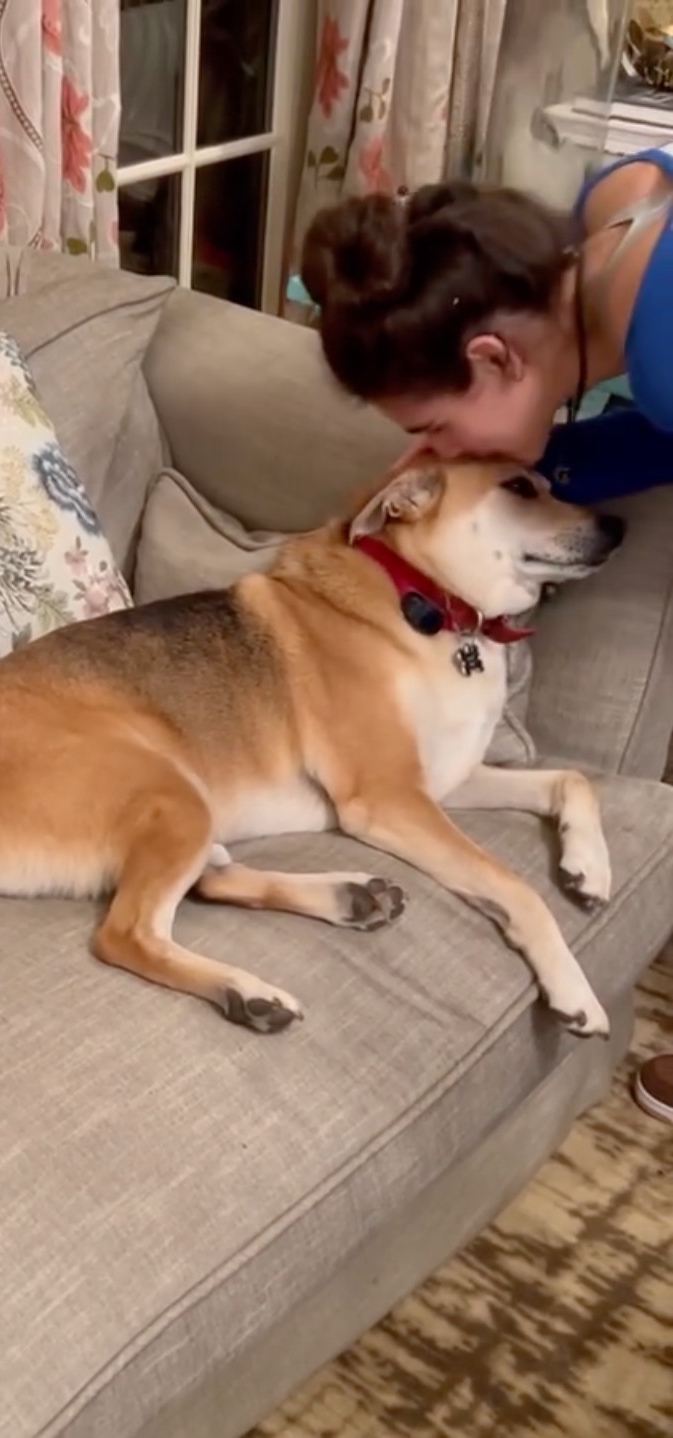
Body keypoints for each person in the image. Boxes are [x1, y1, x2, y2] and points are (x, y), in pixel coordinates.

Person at [299, 147, 673, 1126]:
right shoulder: (615, 203)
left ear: (492, 356)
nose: (435, 455)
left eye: (436, 428)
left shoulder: (665, 345)